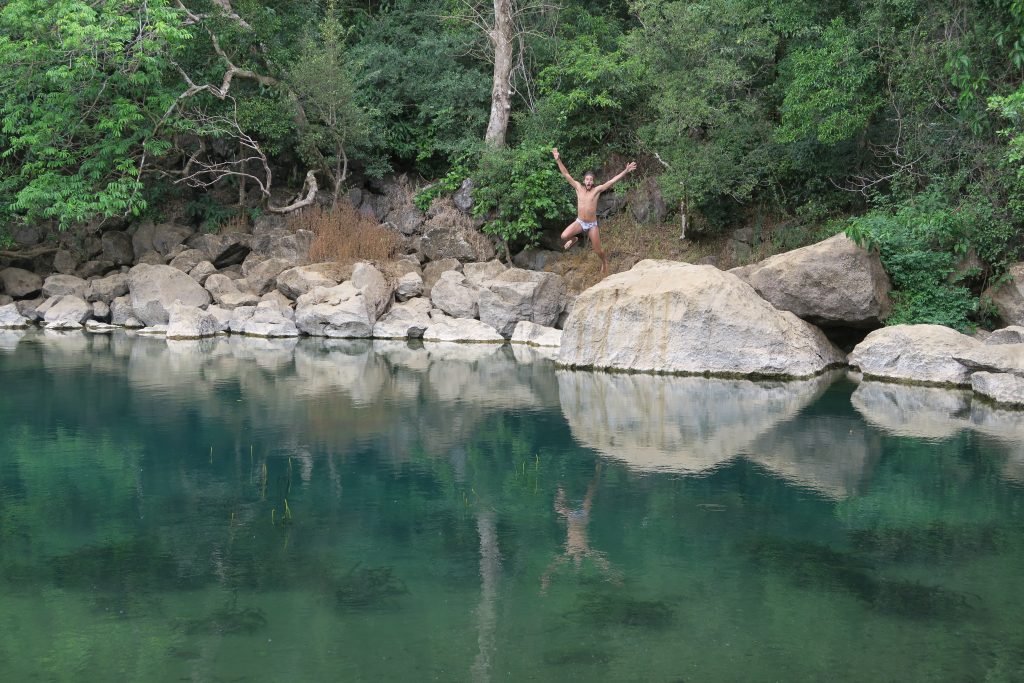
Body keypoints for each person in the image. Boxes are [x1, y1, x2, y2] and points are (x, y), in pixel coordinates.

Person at [552, 147, 637, 274]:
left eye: (591, 180)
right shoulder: (578, 188)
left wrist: (625, 171)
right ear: (584, 181)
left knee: (598, 251)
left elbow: (612, 181)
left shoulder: (597, 191)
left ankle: (604, 262)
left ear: (593, 182)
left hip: (592, 225)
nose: (589, 181)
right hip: (580, 222)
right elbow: (566, 174)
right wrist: (558, 160)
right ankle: (575, 239)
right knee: (564, 236)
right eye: (587, 179)